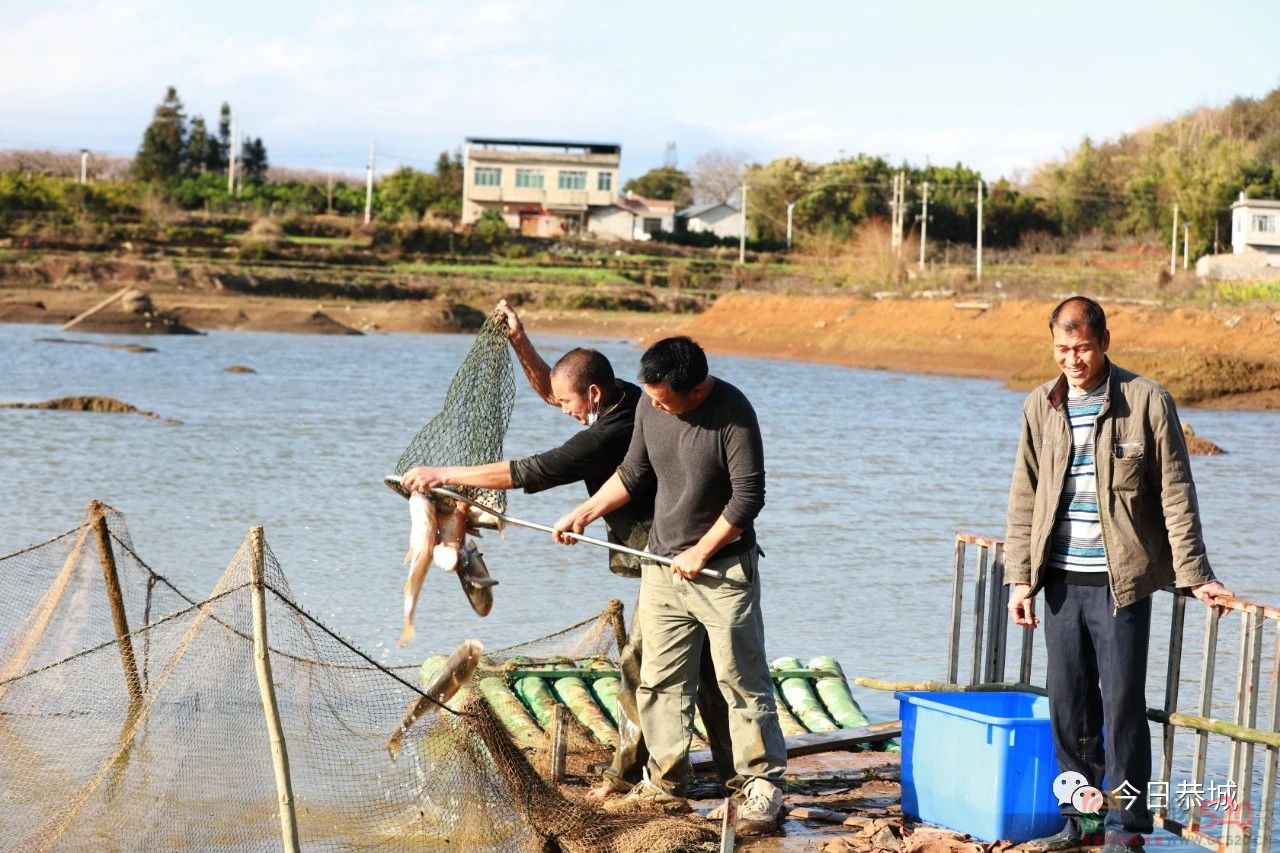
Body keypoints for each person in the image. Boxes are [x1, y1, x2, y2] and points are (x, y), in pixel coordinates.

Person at [400, 301, 733, 801]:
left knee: (643, 664)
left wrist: (442, 475)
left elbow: (537, 470)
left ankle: (633, 777)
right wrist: (520, 340)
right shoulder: (617, 396)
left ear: (594, 394)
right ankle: (727, 773)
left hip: (669, 552)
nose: (563, 412)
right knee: (703, 666)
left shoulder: (616, 429)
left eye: (570, 405)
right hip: (669, 549)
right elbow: (557, 391)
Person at [1004, 296, 1232, 853]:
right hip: (1058, 580)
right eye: (1062, 349)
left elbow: (1177, 495)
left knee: (1123, 705)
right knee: (1067, 704)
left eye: (1082, 348)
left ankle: (1126, 829)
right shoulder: (1042, 405)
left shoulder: (1147, 402)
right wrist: (1020, 579)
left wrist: (1195, 573)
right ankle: (1078, 820)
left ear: (1105, 342)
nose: (1072, 360)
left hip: (1120, 583)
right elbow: (1024, 496)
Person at [553, 335, 788, 837]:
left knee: (740, 679)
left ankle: (761, 785)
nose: (653, 404)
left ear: (695, 388)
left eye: (662, 397)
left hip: (722, 571)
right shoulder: (649, 406)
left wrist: (701, 551)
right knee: (659, 680)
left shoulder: (733, 413)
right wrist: (585, 512)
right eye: (650, 394)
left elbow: (749, 498)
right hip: (661, 568)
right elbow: (633, 473)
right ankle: (665, 783)